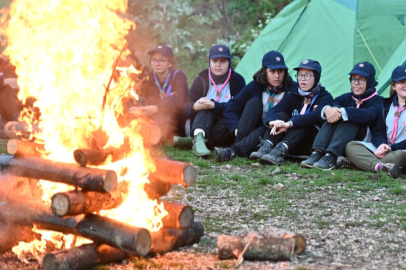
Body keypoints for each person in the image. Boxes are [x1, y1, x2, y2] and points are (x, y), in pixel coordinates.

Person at [214, 50, 298, 162]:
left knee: (278, 116)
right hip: (251, 128)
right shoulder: (255, 86)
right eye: (272, 71)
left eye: (280, 71)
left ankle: (233, 151)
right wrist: (235, 127)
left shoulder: (293, 89)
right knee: (254, 104)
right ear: (265, 71)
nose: (277, 76)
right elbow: (231, 106)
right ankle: (238, 146)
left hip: (276, 132)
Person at [301, 62, 382, 170]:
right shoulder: (346, 97)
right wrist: (328, 110)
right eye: (353, 79)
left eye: (361, 79)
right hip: (343, 138)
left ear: (370, 81)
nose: (356, 83)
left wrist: (344, 112)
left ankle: (332, 155)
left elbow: (370, 115)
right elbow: (333, 104)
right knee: (332, 116)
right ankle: (318, 152)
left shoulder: (378, 101)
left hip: (363, 142)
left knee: (349, 118)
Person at [257, 59, 333, 165]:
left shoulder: (325, 97)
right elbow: (274, 110)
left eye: (307, 75)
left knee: (306, 121)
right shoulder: (293, 94)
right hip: (290, 140)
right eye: (300, 75)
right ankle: (267, 146)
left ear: (316, 77)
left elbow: (315, 116)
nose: (303, 79)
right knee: (280, 115)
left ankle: (280, 150)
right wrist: (273, 122)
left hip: (308, 143)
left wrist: (289, 124)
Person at [339, 65, 406, 178]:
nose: (405, 85)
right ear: (394, 86)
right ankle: (383, 167)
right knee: (351, 146)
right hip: (383, 149)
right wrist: (381, 145)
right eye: (401, 82)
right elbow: (378, 131)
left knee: (400, 156)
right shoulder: (385, 104)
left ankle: (359, 164)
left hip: (399, 151)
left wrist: (391, 148)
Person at [181, 45, 246, 157]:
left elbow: (240, 108)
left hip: (222, 126)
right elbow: (184, 108)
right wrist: (195, 106)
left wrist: (215, 105)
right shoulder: (201, 79)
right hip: (201, 122)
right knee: (205, 107)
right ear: (209, 62)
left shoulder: (238, 81)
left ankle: (196, 141)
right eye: (214, 60)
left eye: (223, 61)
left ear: (229, 62)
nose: (218, 64)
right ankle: (199, 138)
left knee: (227, 118)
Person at [134, 44, 188, 139]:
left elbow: (180, 99)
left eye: (162, 60)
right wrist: (135, 108)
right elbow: (139, 96)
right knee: (140, 101)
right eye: (154, 60)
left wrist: (157, 108)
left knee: (167, 114)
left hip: (174, 120)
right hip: (152, 116)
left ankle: (155, 135)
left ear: (170, 63)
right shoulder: (148, 77)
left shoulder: (178, 76)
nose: (157, 63)